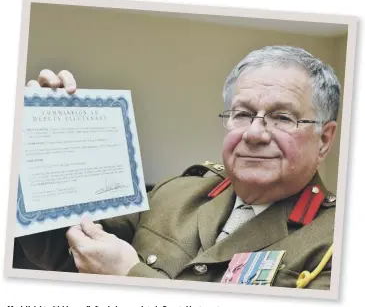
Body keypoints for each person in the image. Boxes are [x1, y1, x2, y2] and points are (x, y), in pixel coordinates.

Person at [14, 45, 340, 289]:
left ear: (324, 139)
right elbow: (66, 254)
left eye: (282, 118)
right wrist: (35, 143)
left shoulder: (338, 245)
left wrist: (132, 278)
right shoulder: (178, 191)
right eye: (242, 114)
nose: (254, 133)